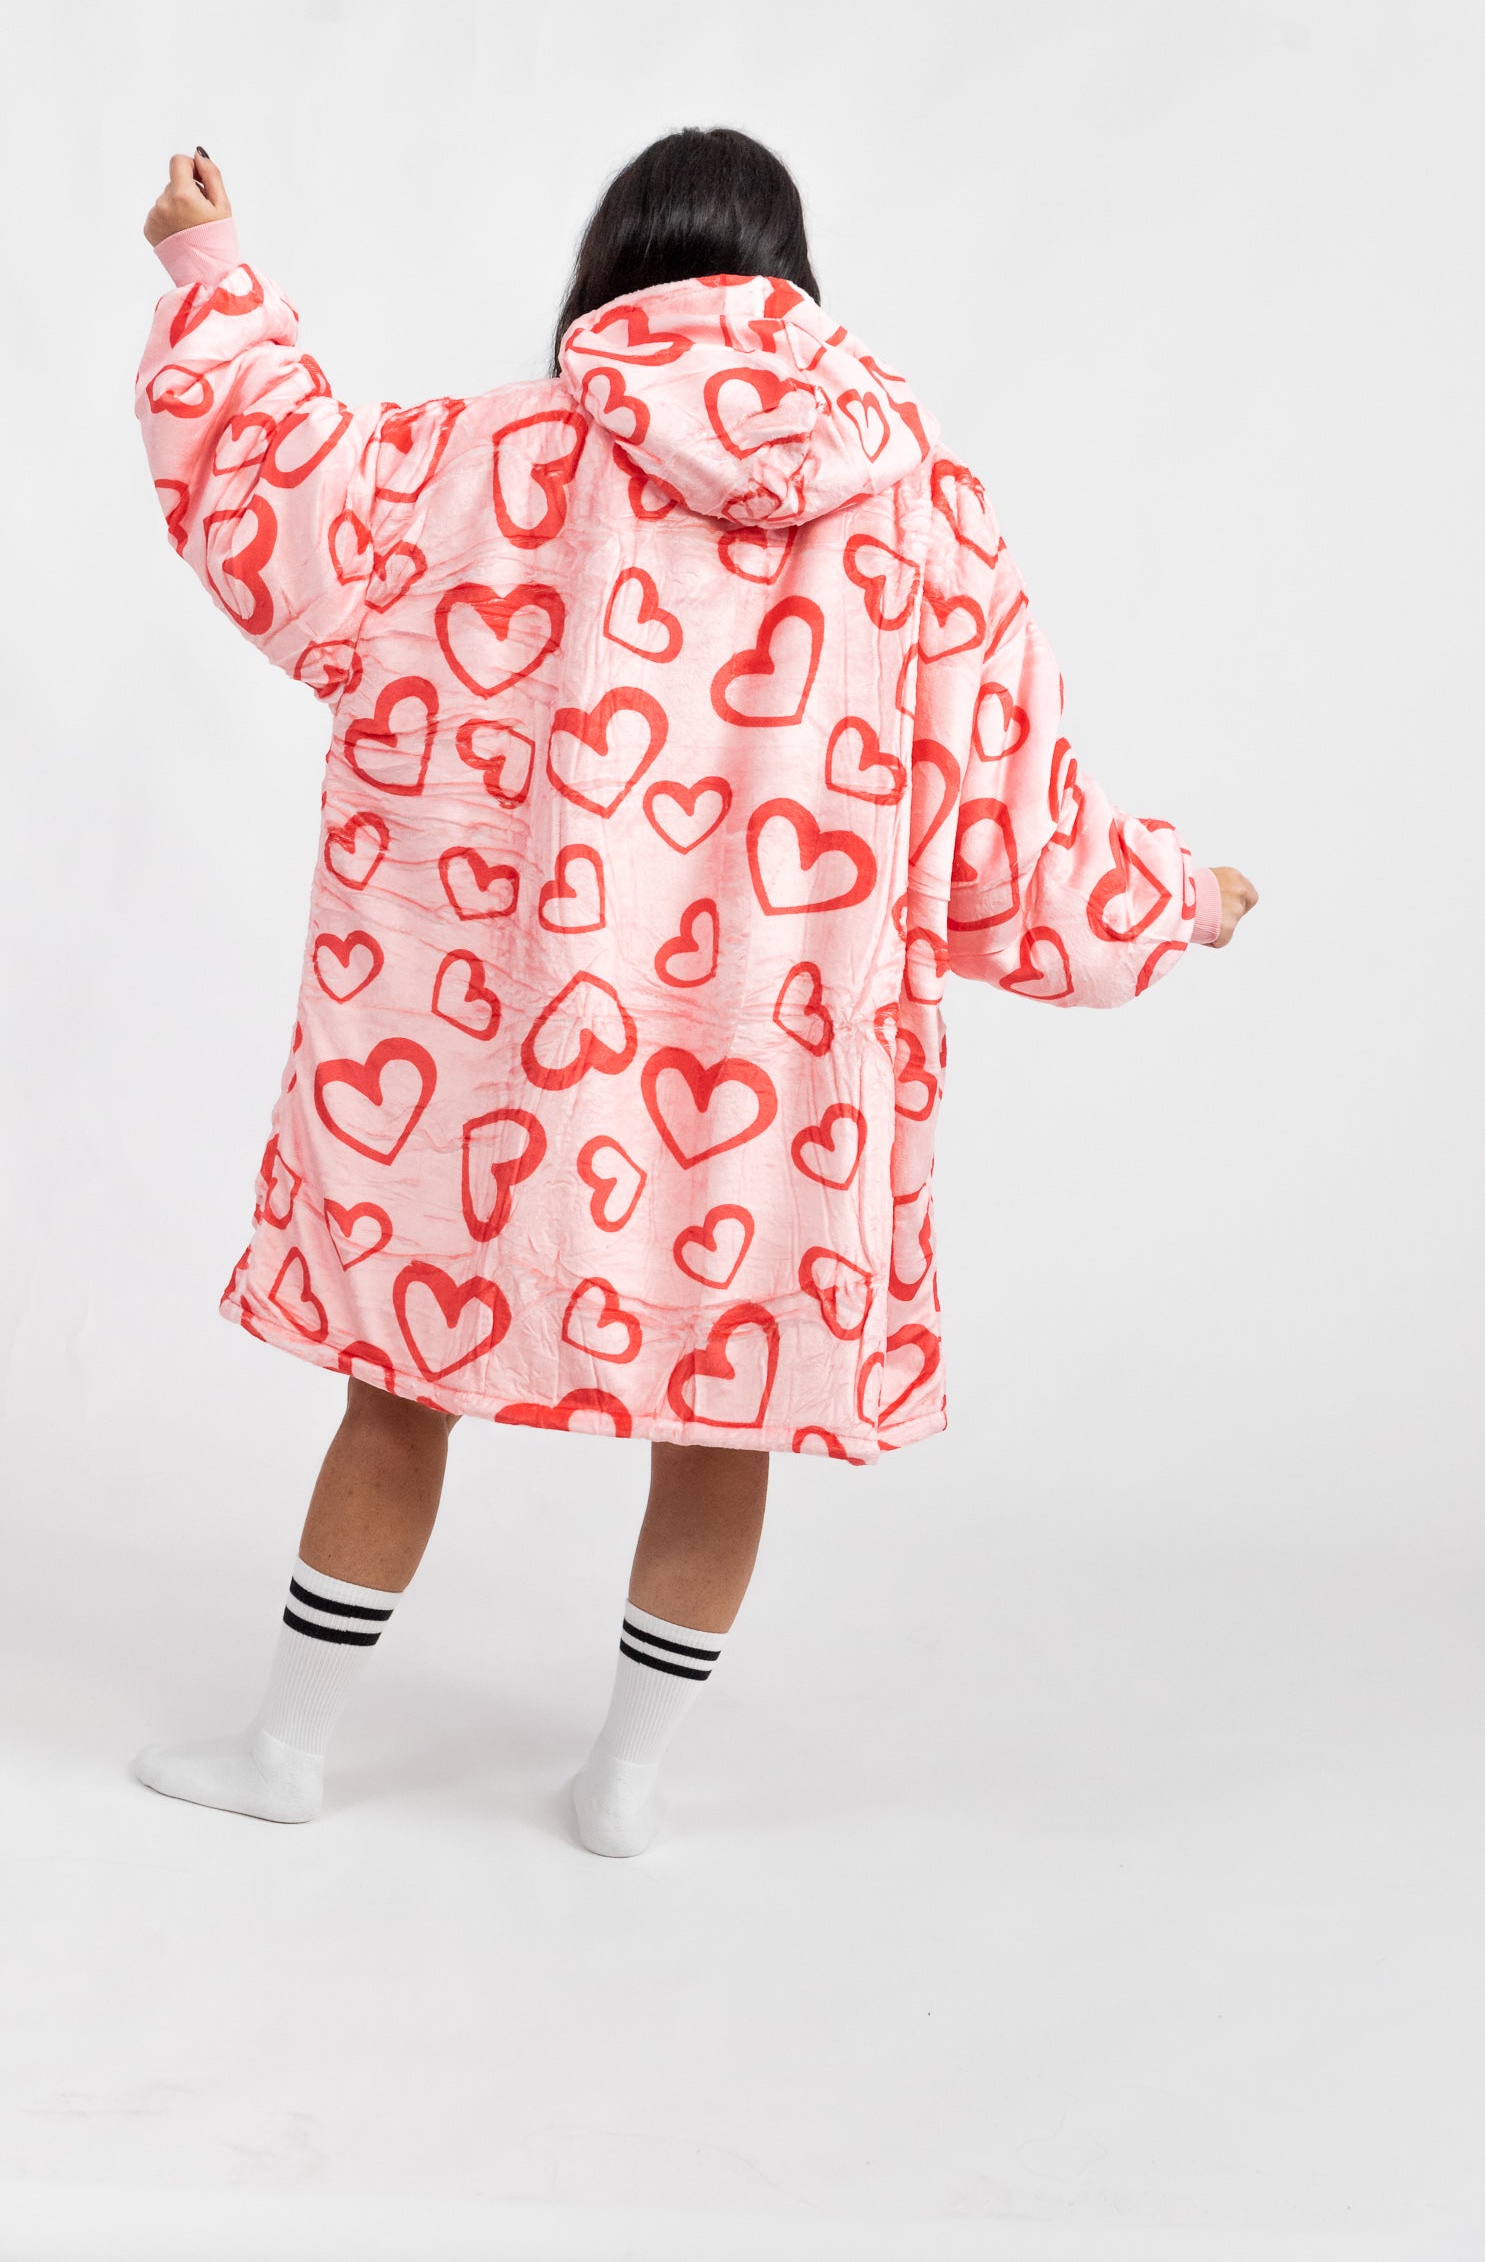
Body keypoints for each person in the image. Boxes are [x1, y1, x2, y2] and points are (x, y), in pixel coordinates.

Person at [128, 130, 1257, 1857]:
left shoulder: (490, 459)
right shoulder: (918, 500)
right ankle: (626, 1786)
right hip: (767, 1078)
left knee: (398, 1378)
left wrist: (209, 272)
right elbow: (1005, 809)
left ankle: (288, 1752)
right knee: (730, 1409)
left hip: (497, 1058)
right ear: (789, 272)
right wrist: (1170, 894)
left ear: (612, 264)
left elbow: (284, 499)